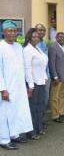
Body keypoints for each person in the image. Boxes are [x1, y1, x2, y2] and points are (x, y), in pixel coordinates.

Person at [0, 20, 33, 150]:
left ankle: (14, 135)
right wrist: (2, 89)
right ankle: (3, 139)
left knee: (16, 111)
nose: (13, 33)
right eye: (10, 30)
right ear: (4, 32)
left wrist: (26, 85)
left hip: (18, 87)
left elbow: (22, 68)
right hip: (6, 88)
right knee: (4, 113)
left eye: (14, 30)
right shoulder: (1, 47)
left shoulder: (18, 47)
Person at [23, 28, 48, 139]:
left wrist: (45, 77)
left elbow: (42, 65)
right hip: (33, 84)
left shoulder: (38, 48)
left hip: (41, 82)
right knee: (32, 108)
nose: (36, 38)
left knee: (40, 107)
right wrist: (31, 86)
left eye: (37, 36)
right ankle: (31, 132)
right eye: (33, 36)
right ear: (29, 37)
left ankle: (39, 127)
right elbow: (27, 68)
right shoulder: (27, 50)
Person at [48, 32, 64, 123]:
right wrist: (55, 76)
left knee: (61, 95)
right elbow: (51, 64)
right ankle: (55, 115)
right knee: (54, 96)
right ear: (56, 38)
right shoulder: (53, 48)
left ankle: (61, 111)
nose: (62, 38)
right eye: (60, 37)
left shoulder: (63, 47)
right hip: (57, 77)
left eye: (63, 37)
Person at [35, 24, 50, 126]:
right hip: (37, 77)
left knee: (45, 99)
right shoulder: (32, 44)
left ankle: (42, 119)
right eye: (39, 30)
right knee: (38, 100)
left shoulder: (44, 43)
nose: (42, 32)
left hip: (46, 76)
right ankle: (37, 122)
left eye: (43, 30)